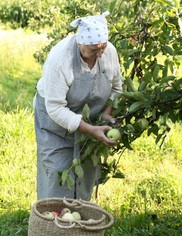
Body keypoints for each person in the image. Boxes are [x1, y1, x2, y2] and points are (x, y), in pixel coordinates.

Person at [33, 11, 123, 201]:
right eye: (93, 50)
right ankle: (53, 220)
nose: (99, 54)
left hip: (90, 118)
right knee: (58, 168)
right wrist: (91, 129)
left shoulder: (109, 52)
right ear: (79, 43)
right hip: (54, 120)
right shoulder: (60, 59)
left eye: (103, 47)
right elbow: (56, 109)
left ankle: (79, 218)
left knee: (86, 169)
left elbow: (117, 88)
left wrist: (106, 114)